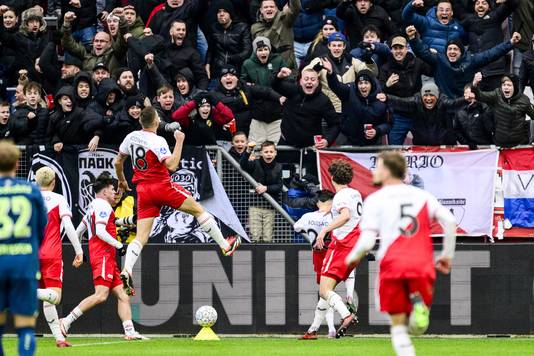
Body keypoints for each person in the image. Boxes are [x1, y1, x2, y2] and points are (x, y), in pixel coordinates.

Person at [115, 106, 241, 296]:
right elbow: (172, 165)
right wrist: (179, 141)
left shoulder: (131, 137)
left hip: (143, 190)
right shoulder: (157, 141)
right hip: (161, 186)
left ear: (141, 121)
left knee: (141, 237)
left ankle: (126, 270)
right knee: (198, 210)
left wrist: (122, 180)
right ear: (157, 121)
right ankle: (225, 246)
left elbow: (118, 162)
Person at [346, 151, 457, 356]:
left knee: (398, 327)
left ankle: (414, 321)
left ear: (388, 171)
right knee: (417, 328)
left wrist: (352, 258)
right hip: (422, 264)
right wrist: (447, 256)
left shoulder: (375, 199)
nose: (374, 171)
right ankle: (419, 309)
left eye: (378, 167)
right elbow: (449, 222)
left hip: (392, 265)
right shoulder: (423, 196)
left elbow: (368, 240)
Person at [60, 173, 146, 341]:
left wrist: (80, 253)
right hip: (103, 254)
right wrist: (119, 245)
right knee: (101, 295)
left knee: (123, 295)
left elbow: (78, 232)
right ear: (105, 191)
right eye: (113, 189)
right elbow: (99, 231)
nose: (115, 193)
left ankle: (130, 332)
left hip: (105, 255)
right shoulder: (103, 206)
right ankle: (66, 321)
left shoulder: (93, 206)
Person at [0, 141, 47, 356]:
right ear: (17, 163)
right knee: (26, 326)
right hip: (24, 262)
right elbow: (40, 229)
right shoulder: (31, 190)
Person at [295, 190, 356, 339]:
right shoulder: (335, 217)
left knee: (324, 292)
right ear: (332, 202)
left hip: (320, 255)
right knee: (326, 293)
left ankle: (343, 316)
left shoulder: (308, 217)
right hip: (337, 253)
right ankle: (314, 329)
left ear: (318, 202)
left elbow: (296, 227)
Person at [34, 167, 83, 348]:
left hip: (31, 254)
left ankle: (59, 339)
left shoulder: (30, 199)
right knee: (55, 297)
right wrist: (79, 250)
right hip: (51, 255)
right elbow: (69, 226)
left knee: (48, 299)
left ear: (36, 182)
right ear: (54, 183)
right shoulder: (59, 199)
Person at [314, 159, 362, 338]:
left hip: (342, 245)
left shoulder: (341, 196)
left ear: (332, 176)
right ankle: (313, 329)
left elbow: (345, 215)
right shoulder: (355, 193)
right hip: (355, 246)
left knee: (324, 290)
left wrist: (324, 231)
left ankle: (346, 314)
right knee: (329, 289)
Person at [407, 25, 521, 98]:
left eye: (455, 49)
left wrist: (510, 43)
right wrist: (413, 38)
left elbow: (491, 54)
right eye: (449, 49)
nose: (452, 51)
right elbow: (422, 52)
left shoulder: (471, 60)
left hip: (465, 103)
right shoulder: (439, 60)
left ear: (461, 52)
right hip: (444, 104)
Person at [378, 35, 434, 145]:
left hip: (417, 112)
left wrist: (430, 54)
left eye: (401, 48)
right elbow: (379, 92)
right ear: (391, 50)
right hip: (398, 115)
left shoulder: (416, 62)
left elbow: (431, 71)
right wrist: (387, 85)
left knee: (423, 147)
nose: (398, 51)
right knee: (394, 149)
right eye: (395, 48)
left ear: (406, 48)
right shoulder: (385, 68)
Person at [377, 82, 464, 145]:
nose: (428, 98)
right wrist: (387, 98)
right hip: (422, 147)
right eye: (425, 95)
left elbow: (454, 104)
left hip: (444, 145)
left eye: (431, 95)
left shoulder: (443, 102)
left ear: (437, 96)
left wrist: (466, 100)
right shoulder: (416, 101)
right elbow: (401, 102)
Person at [273, 67, 340, 148]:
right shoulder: (292, 90)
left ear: (317, 82)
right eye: (306, 79)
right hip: (286, 143)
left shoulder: (323, 100)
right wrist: (279, 76)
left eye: (312, 79)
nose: (309, 82)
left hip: (311, 147)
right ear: (301, 81)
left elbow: (335, 124)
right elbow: (275, 85)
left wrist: (327, 140)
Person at [325, 64, 389, 146]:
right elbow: (336, 86)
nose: (363, 86)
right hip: (348, 139)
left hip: (372, 143)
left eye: (366, 83)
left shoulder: (381, 97)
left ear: (372, 84)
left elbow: (388, 123)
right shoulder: (349, 90)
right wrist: (331, 74)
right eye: (360, 83)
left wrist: (377, 130)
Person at [461, 0, 518, 90]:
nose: (480, 5)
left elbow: (512, 5)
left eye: (484, 3)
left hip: (494, 70)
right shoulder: (468, 21)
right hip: (476, 71)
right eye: (477, 3)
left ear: (489, 7)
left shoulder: (495, 17)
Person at [472, 73, 534, 147]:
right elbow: (479, 96)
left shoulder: (524, 100)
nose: (506, 87)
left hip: (519, 144)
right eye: (504, 85)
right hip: (500, 142)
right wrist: (475, 83)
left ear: (515, 86)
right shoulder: (496, 95)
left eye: (509, 85)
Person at [240, 140, 283, 243]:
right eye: (266, 152)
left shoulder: (278, 167)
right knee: (255, 236)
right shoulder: (255, 163)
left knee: (267, 237)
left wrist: (266, 188)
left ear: (275, 153)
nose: (269, 154)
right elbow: (243, 165)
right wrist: (248, 150)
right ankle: (255, 258)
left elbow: (279, 186)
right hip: (255, 205)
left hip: (270, 207)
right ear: (261, 153)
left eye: (271, 152)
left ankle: (266, 258)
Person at [206, 0, 252, 80]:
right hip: (218, 70)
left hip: (236, 69)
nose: (221, 14)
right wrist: (207, 63)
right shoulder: (214, 28)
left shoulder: (242, 27)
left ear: (230, 13)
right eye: (219, 12)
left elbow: (247, 51)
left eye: (225, 11)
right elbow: (210, 50)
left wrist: (230, 59)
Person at [251, 0, 302, 70]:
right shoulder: (255, 27)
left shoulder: (285, 19)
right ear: (261, 10)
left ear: (276, 9)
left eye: (272, 7)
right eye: (266, 7)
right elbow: (267, 40)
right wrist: (277, 19)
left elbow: (296, 8)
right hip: (267, 68)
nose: (269, 9)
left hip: (287, 65)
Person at [47, 86, 87, 152]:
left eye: (71, 98)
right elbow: (50, 134)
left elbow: (90, 127)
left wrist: (96, 135)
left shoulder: (80, 113)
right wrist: (56, 141)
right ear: (60, 101)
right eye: (65, 99)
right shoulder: (54, 117)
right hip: (62, 153)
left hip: (79, 152)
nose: (69, 101)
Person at [454, 83, 494, 148]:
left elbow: (490, 128)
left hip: (486, 147)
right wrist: (466, 143)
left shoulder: (485, 107)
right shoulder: (459, 110)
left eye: (471, 93)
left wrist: (480, 106)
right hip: (468, 149)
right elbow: (456, 130)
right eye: (466, 93)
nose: (469, 95)